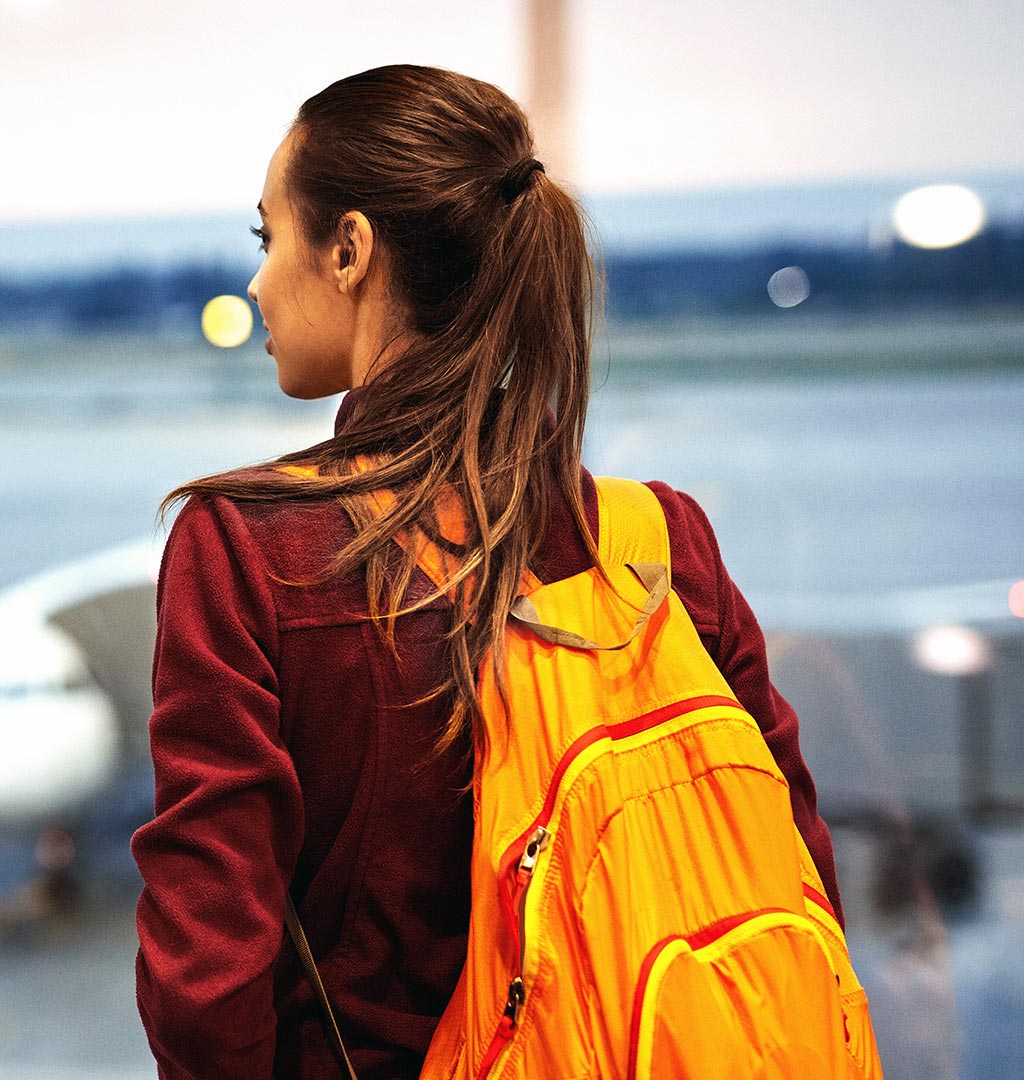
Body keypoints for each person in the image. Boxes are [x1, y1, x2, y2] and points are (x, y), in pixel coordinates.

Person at [129, 64, 845, 1080]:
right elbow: (797, 863)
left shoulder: (250, 550)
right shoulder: (661, 539)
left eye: (267, 236)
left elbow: (209, 978)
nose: (254, 282)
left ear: (348, 250)